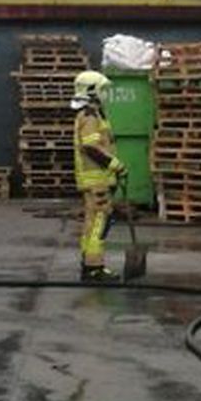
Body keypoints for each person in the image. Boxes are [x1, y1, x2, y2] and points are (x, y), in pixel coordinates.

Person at [72, 70, 127, 282]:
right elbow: (91, 147)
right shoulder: (90, 116)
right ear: (92, 91)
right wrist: (115, 165)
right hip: (97, 182)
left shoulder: (92, 114)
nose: (105, 94)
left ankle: (88, 263)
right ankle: (95, 267)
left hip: (96, 181)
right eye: (102, 90)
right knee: (100, 223)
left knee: (92, 222)